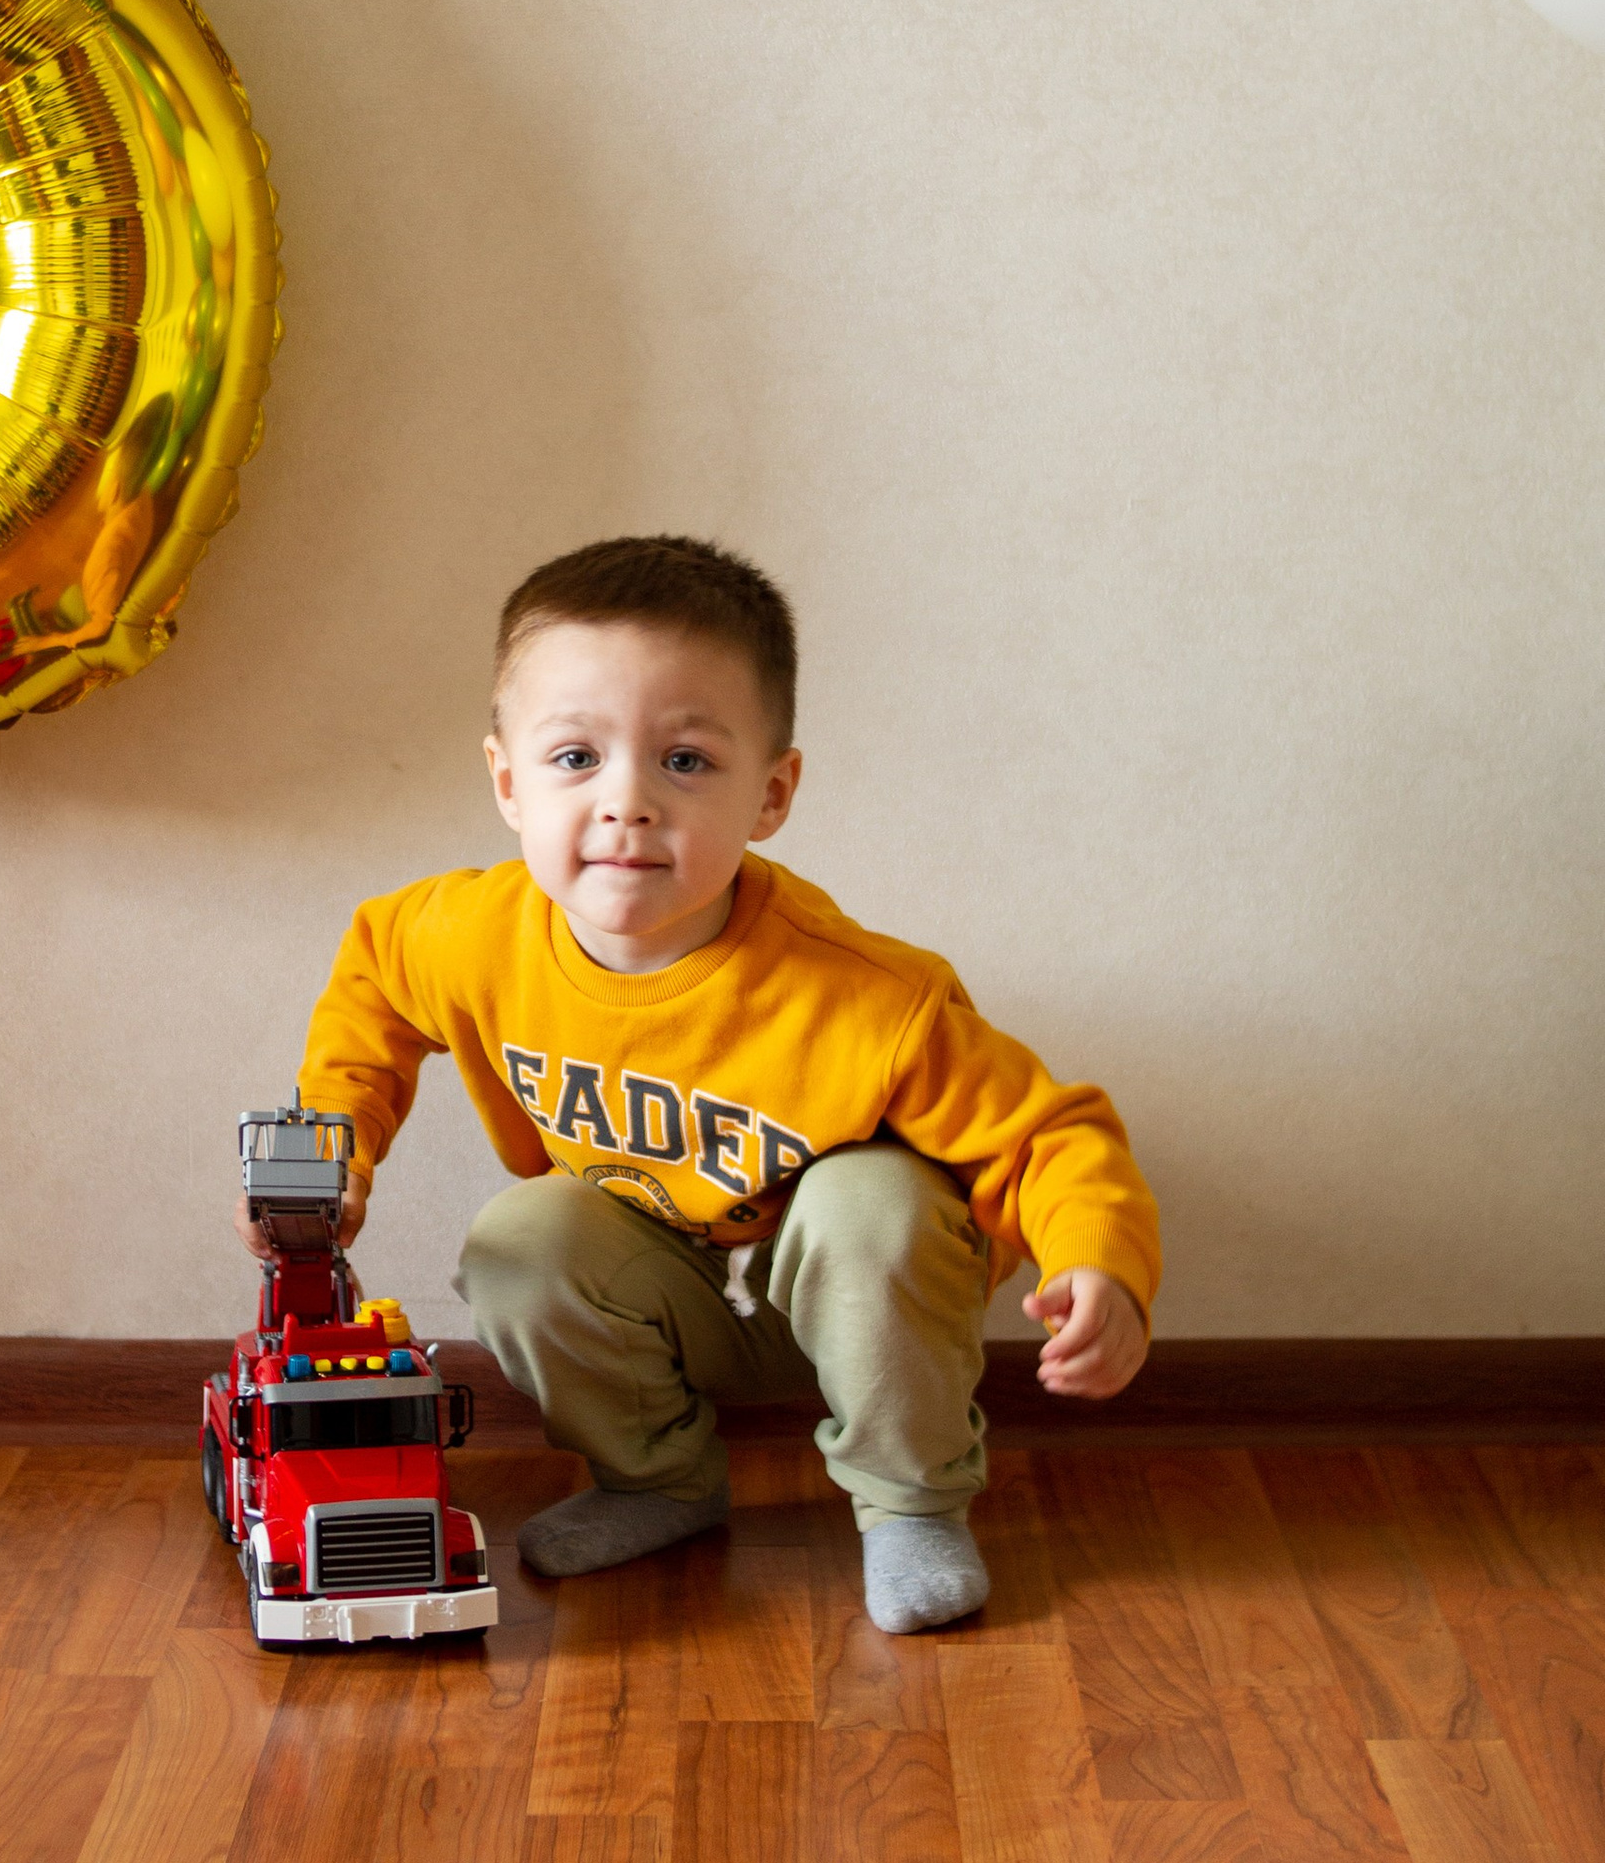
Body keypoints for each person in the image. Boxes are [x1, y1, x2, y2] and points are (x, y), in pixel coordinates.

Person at [240, 534, 1159, 1635]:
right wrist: (336, 1145)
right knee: (518, 1239)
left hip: (859, 1301)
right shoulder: (469, 935)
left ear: (769, 795)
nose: (626, 802)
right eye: (575, 758)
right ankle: (658, 1479)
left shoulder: (861, 997)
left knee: (867, 1200)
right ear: (505, 781)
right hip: (663, 1286)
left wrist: (1099, 1262)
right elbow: (375, 986)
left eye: (684, 762)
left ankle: (910, 1503)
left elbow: (1047, 1135)